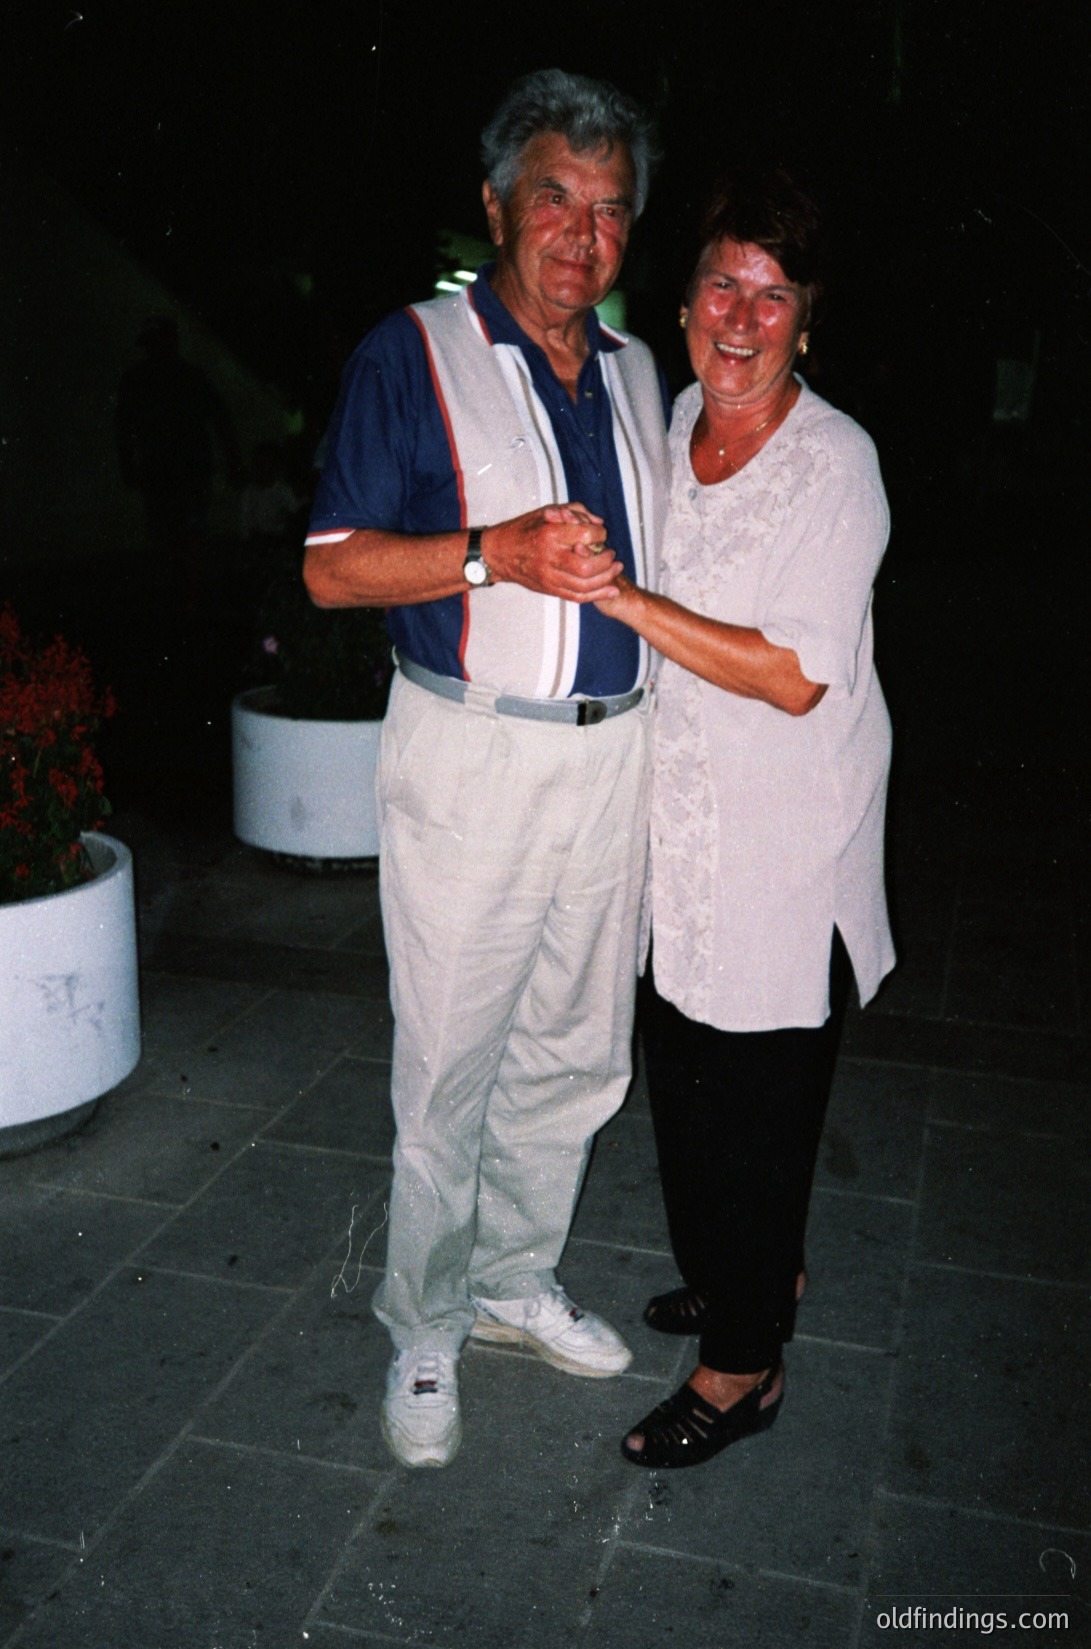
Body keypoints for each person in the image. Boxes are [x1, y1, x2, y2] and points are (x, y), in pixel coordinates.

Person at [302, 70, 669, 1468]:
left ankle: (514, 1281)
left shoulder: (639, 372)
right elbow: (330, 571)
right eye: (553, 202)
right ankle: (425, 1321)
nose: (581, 238)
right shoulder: (411, 352)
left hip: (612, 757)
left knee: (577, 1055)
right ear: (496, 207)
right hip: (470, 749)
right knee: (451, 1060)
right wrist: (490, 552)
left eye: (609, 211)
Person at [592, 168, 895, 1470]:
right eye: (722, 280)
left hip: (786, 852)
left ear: (802, 323)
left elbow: (793, 671)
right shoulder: (666, 423)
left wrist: (626, 604)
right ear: (680, 304)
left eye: (770, 294)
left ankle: (738, 1367)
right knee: (692, 1091)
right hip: (682, 838)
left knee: (754, 1111)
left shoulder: (835, 464)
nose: (740, 313)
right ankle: (746, 1276)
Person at [115, 315, 241, 594]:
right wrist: (127, 464)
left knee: (188, 532)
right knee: (167, 533)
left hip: (187, 470)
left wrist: (233, 461)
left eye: (158, 341)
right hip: (161, 471)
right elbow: (123, 426)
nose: (155, 349)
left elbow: (220, 419)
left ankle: (188, 593)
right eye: (150, 343)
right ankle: (177, 593)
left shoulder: (188, 377)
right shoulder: (139, 379)